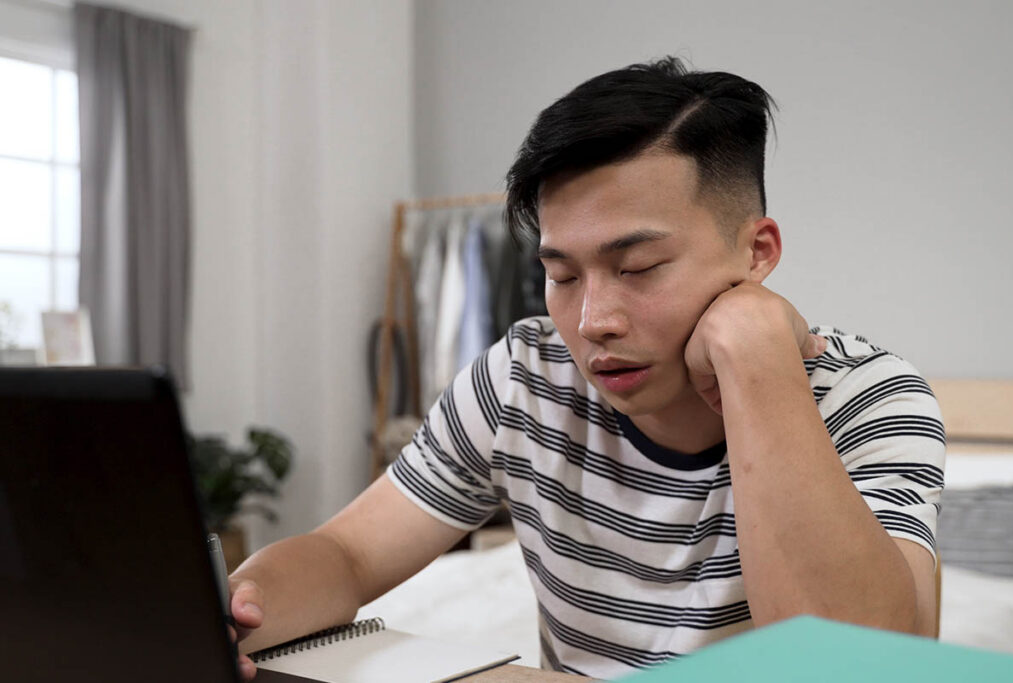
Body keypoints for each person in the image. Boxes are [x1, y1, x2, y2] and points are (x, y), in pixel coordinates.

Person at [228, 57, 945, 680]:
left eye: (638, 266)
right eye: (563, 275)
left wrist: (754, 344)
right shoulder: (523, 377)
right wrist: (241, 606)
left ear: (757, 252)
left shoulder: (866, 396)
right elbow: (347, 554)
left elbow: (862, 666)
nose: (593, 318)